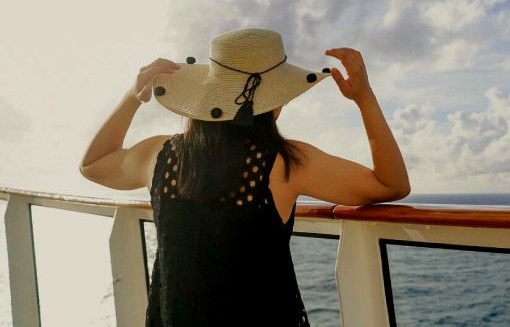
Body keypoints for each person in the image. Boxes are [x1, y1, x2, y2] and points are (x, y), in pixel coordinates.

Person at [79, 28, 411, 326]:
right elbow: (392, 184)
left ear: (203, 97)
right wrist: (364, 97)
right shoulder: (285, 161)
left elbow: (93, 164)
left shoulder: (157, 155)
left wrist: (131, 96)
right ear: (276, 104)